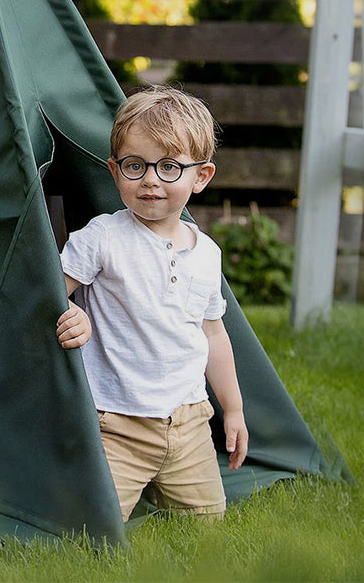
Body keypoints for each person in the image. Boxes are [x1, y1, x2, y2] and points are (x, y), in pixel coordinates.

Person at [55, 85, 247, 522]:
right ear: (114, 170)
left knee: (207, 524)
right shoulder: (102, 238)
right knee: (90, 530)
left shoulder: (207, 252)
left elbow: (213, 334)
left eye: (168, 167)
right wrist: (73, 313)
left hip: (190, 420)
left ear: (200, 176)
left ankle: (168, 489)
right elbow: (43, 296)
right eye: (135, 165)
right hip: (116, 423)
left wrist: (232, 409)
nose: (150, 180)